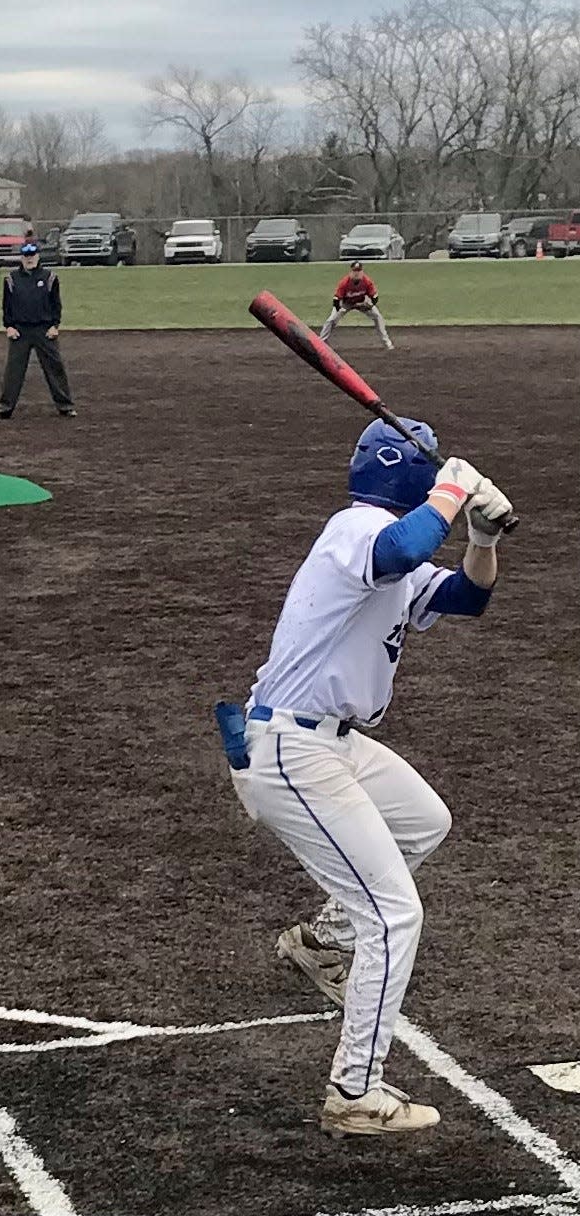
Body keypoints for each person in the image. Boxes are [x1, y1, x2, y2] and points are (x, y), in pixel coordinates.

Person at [215, 418, 512, 1136]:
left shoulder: (393, 553)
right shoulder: (356, 529)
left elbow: (468, 598)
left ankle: (321, 940)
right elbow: (407, 542)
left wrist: (482, 537)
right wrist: (453, 487)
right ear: (410, 479)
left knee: (424, 821)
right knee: (394, 915)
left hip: (332, 744)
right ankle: (355, 1092)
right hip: (291, 750)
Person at [0, 241, 76, 419]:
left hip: (44, 330)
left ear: (38, 256)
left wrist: (55, 325)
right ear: (22, 258)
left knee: (55, 367)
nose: (29, 259)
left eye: (32, 256)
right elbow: (6, 306)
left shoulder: (50, 277)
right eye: (26, 256)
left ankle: (65, 405)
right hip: (20, 331)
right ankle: (5, 408)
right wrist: (9, 326)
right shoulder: (11, 279)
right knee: (13, 371)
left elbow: (56, 304)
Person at [319, 261, 393, 349]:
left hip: (361, 303)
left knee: (377, 316)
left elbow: (375, 297)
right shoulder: (344, 282)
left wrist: (370, 304)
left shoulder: (367, 281)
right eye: (354, 271)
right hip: (346, 303)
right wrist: (339, 309)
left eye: (359, 271)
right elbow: (336, 299)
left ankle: (387, 343)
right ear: (351, 272)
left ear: (362, 272)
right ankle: (321, 343)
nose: (357, 273)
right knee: (331, 320)